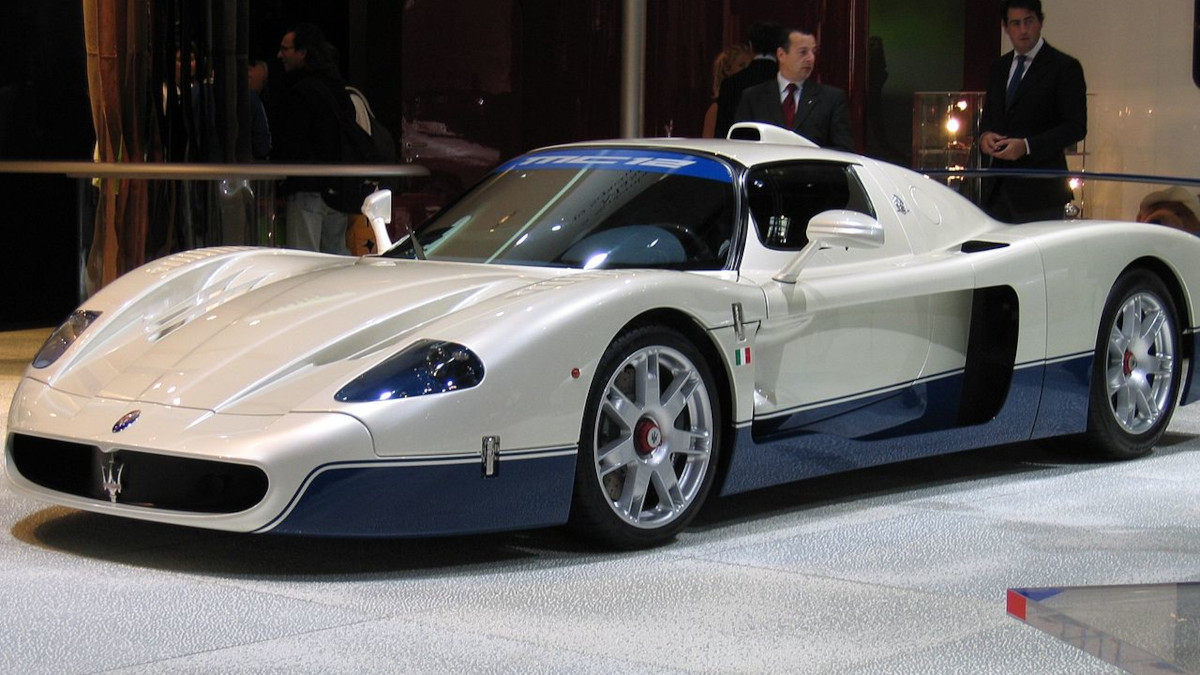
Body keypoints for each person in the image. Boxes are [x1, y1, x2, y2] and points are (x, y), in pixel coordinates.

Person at [979, 0, 1087, 223]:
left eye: (1028, 22)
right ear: (1005, 27)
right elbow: (990, 116)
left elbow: (1076, 126)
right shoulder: (999, 67)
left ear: (1040, 22)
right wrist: (985, 136)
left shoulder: (1064, 67)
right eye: (1015, 23)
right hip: (997, 191)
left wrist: (1027, 146)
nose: (1023, 30)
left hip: (1041, 193)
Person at [272, 23, 354, 253]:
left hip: (306, 186)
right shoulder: (337, 88)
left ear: (302, 52)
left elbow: (292, 142)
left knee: (304, 259)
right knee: (335, 258)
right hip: (337, 188)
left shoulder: (300, 92)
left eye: (285, 49)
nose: (280, 55)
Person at [732, 27, 855, 152]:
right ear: (781, 55)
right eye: (803, 52)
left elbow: (844, 150)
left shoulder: (831, 99)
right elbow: (740, 146)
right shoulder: (753, 97)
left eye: (814, 52)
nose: (811, 58)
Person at [713, 21, 782, 139]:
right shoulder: (787, 81)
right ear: (779, 48)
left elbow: (722, 134)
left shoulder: (730, 84)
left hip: (739, 148)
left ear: (750, 46)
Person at [701, 44, 750, 138]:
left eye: (749, 66)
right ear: (727, 70)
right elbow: (707, 141)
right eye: (742, 66)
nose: (746, 71)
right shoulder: (716, 108)